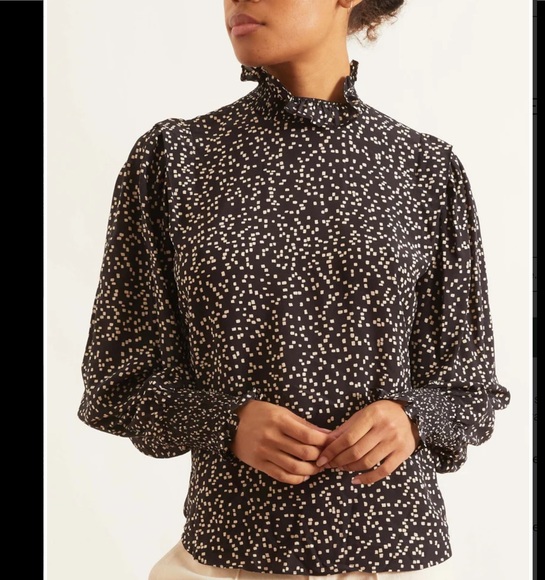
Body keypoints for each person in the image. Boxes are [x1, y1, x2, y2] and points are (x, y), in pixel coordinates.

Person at [77, 0, 511, 578]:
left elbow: (471, 387)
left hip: (387, 559)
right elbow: (116, 381)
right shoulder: (175, 159)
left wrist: (411, 417)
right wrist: (225, 421)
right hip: (229, 556)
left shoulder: (424, 168)